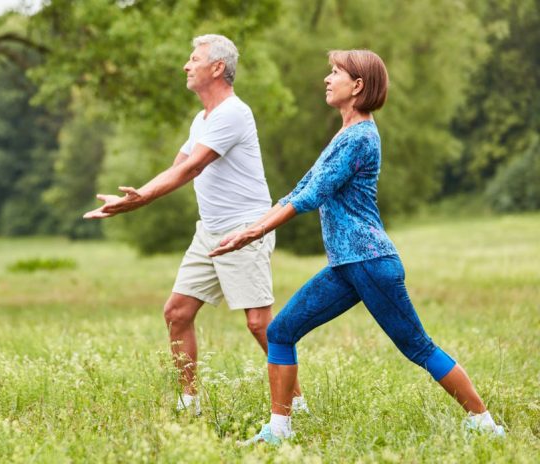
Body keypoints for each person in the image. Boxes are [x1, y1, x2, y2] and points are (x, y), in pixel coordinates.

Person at [209, 49, 505, 443]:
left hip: (369, 260)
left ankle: (485, 424)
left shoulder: (360, 137)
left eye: (336, 73)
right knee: (280, 331)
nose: (327, 79)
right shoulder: (345, 134)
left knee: (416, 346)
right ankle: (278, 431)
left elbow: (312, 195)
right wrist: (250, 227)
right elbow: (300, 188)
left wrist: (253, 233)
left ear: (358, 86)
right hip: (347, 266)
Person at [84, 34, 306, 415]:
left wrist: (142, 200)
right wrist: (131, 198)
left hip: (244, 230)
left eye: (194, 59)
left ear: (217, 67)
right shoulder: (201, 119)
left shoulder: (234, 113)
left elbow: (193, 167)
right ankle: (189, 403)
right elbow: (177, 165)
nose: (186, 66)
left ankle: (296, 402)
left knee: (258, 323)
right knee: (177, 312)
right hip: (210, 231)